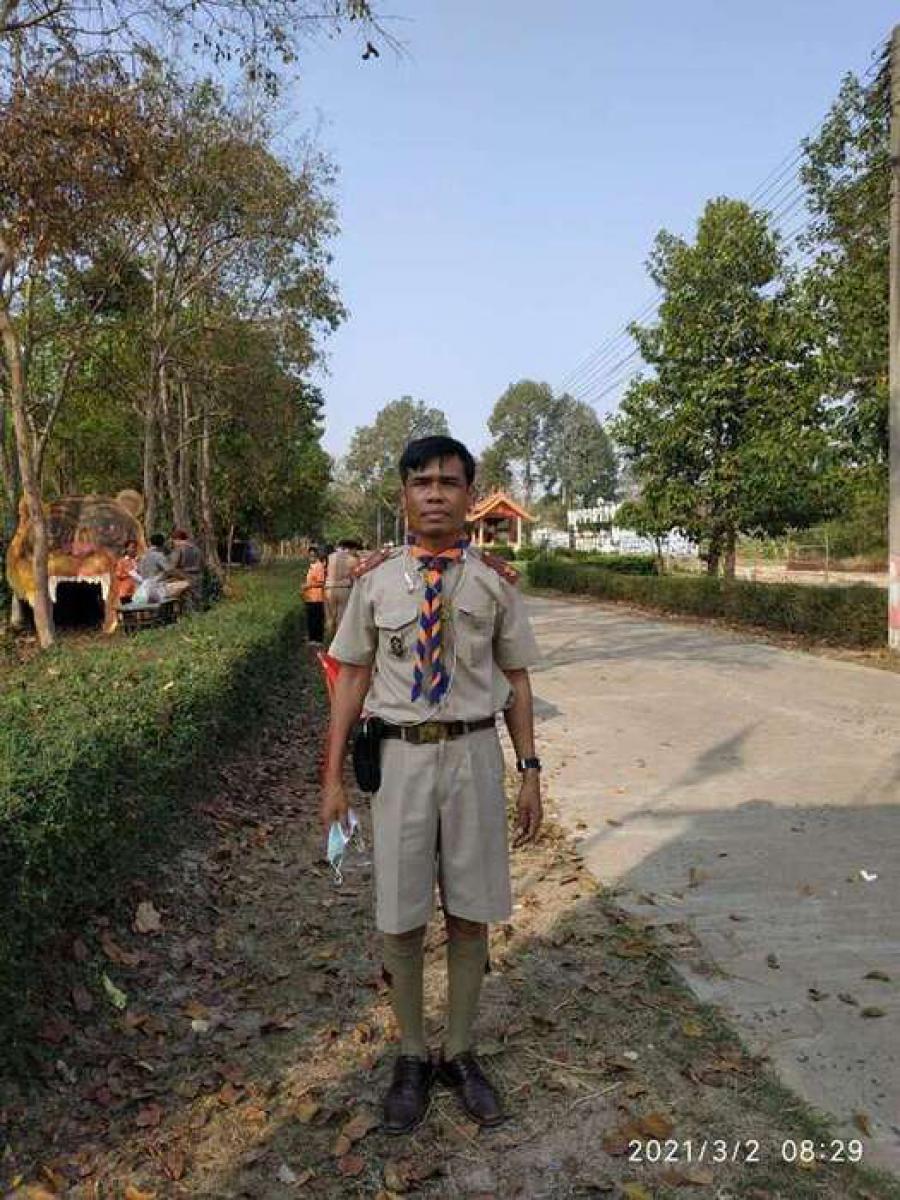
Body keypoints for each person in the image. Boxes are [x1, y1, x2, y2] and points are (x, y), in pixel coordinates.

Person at [323, 435, 542, 1135]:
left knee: (471, 910)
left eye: (450, 482)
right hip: (401, 762)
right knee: (401, 911)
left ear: (471, 497)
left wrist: (530, 771)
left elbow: (516, 681)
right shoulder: (374, 583)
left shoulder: (494, 583)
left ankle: (462, 1050)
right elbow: (351, 679)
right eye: (423, 483)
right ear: (405, 497)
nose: (437, 494)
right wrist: (331, 777)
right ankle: (413, 1054)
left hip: (474, 756)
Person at [324, 539, 362, 642]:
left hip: (329, 589)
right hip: (344, 589)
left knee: (330, 618)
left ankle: (329, 641)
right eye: (355, 550)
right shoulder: (352, 559)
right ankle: (339, 644)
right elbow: (356, 577)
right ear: (352, 548)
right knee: (341, 618)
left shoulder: (330, 557)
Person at [168, 528, 203, 605]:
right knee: (196, 601)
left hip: (183, 578)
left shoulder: (178, 549)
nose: (173, 543)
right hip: (197, 577)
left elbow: (172, 567)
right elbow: (201, 563)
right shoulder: (196, 548)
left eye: (173, 541)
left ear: (177, 539)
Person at [302, 546, 327, 644]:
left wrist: (308, 586)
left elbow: (321, 582)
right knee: (310, 618)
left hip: (317, 597)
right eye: (310, 555)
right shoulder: (311, 566)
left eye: (313, 555)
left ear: (316, 556)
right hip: (309, 597)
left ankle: (318, 639)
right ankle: (312, 638)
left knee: (316, 619)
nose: (311, 557)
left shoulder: (319, 566)